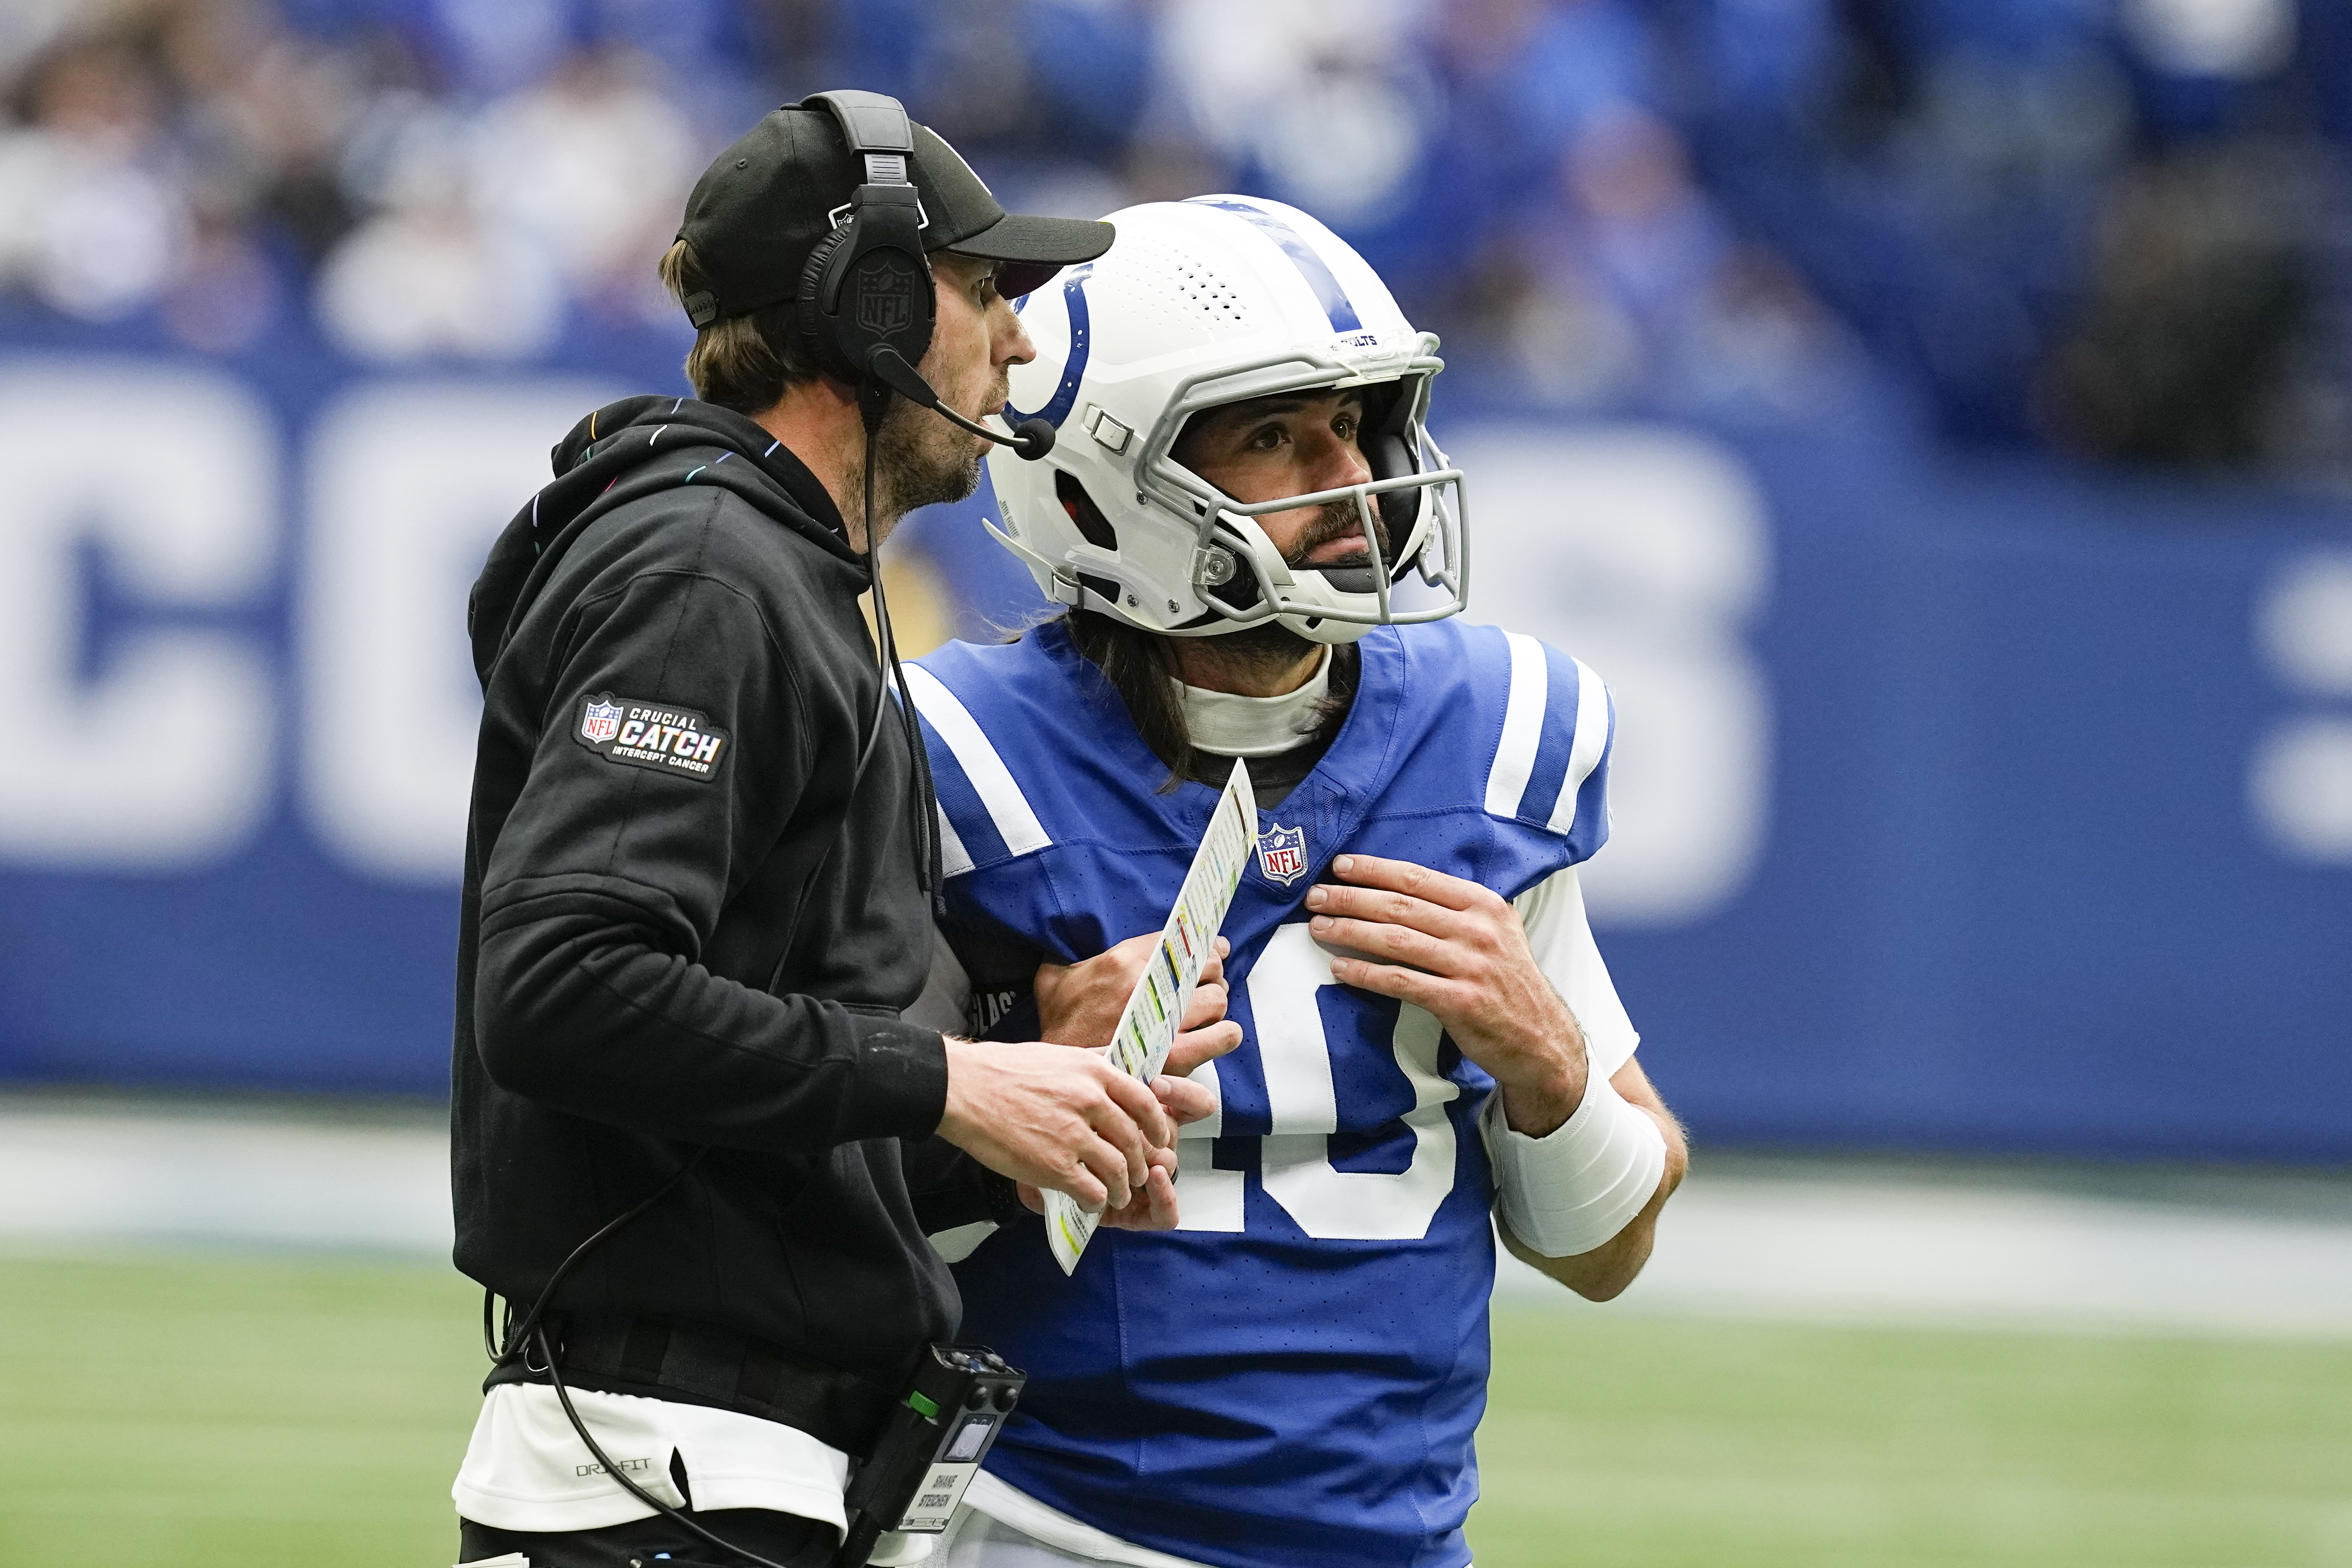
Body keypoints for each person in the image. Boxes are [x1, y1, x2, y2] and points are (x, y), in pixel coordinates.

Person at [448, 95, 1231, 1568]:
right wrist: (949, 1075)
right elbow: (558, 989)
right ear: (869, 304)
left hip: (732, 1478)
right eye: (987, 288)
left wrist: (1026, 1090)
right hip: (662, 1476)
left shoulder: (787, 575)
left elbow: (765, 1100)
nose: (1015, 337)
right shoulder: (708, 572)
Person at [901, 195, 1691, 1568]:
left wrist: (1552, 1068)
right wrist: (1006, 1080)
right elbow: (802, 1189)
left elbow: (1606, 1251)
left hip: (1395, 1542)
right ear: (1098, 488)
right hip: (1045, 1525)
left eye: (1362, 421)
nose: (1354, 475)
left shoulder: (1491, 731)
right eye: (1276, 434)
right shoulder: (950, 759)